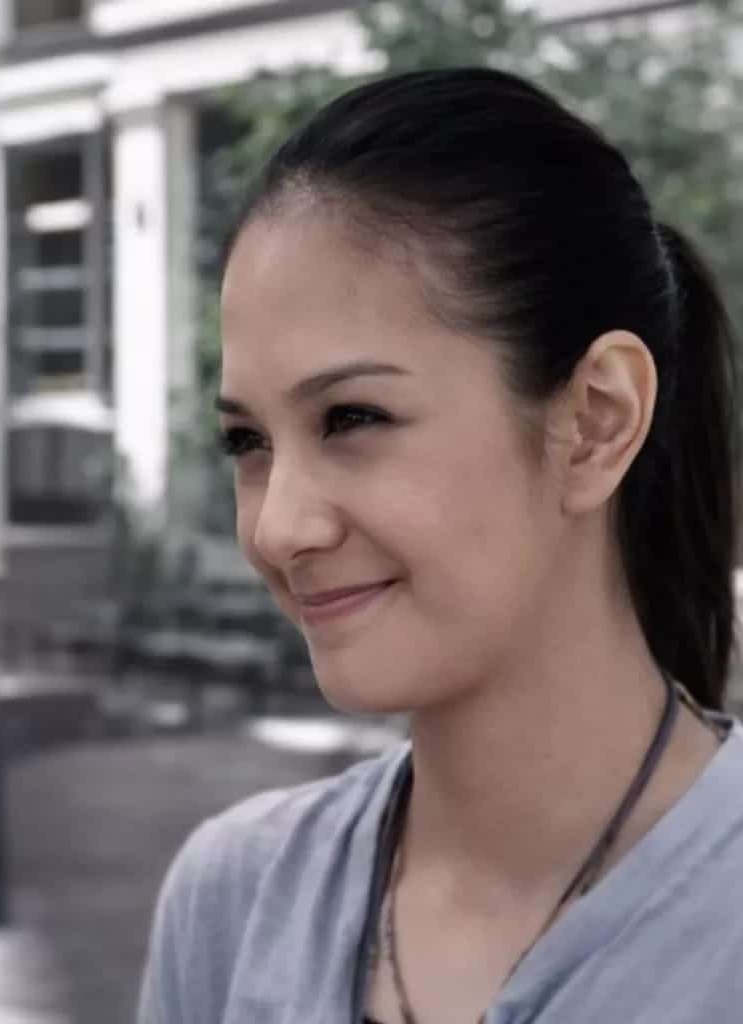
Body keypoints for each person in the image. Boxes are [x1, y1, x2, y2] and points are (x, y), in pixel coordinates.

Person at [138, 67, 743, 1024]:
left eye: (353, 417)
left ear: (596, 421)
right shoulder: (231, 903)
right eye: (247, 442)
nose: (278, 528)